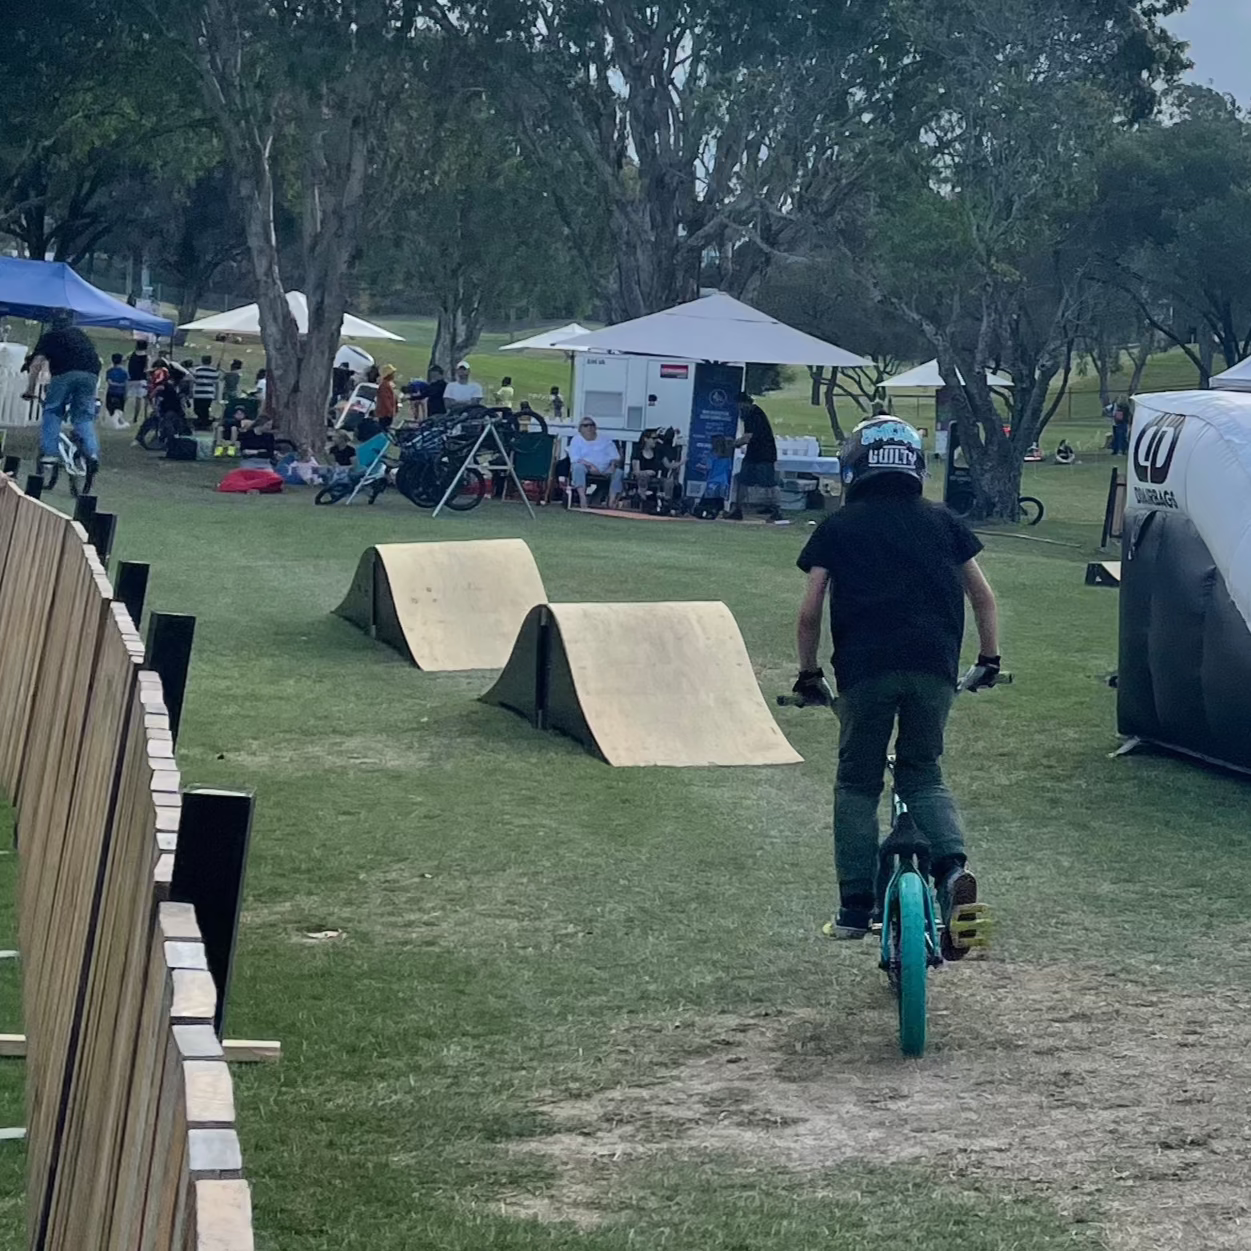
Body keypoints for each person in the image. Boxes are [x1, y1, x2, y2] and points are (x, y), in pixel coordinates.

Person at [792, 416, 1001, 958]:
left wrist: (809, 675)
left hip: (865, 671)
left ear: (854, 465)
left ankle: (854, 909)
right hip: (933, 668)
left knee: (857, 784)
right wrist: (988, 660)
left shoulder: (838, 527)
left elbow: (811, 609)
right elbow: (984, 597)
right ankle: (953, 870)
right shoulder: (943, 521)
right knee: (924, 773)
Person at [23, 311, 101, 477]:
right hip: (91, 373)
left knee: (52, 410)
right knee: (83, 416)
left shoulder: (49, 337)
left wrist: (30, 390)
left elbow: (36, 364)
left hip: (65, 373)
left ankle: (50, 454)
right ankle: (91, 453)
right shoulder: (80, 335)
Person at [727, 391, 781, 522]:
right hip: (754, 453)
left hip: (764, 454)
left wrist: (732, 444)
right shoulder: (751, 414)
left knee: (768, 483)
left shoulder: (753, 415)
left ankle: (777, 510)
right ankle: (737, 510)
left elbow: (748, 437)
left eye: (739, 406)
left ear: (743, 404)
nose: (738, 409)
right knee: (742, 480)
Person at [568, 418, 623, 509]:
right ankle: (583, 498)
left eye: (591, 425)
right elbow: (575, 458)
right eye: (585, 425)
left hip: (606, 469)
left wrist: (612, 466)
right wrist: (590, 466)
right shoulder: (576, 440)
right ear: (580, 429)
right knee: (577, 467)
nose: (589, 427)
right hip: (587, 468)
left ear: (595, 427)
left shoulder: (605, 439)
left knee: (619, 473)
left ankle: (611, 502)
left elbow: (615, 457)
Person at [191, 355, 221, 429]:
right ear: (210, 361)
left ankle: (203, 423)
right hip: (208, 394)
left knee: (197, 409)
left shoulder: (196, 370)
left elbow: (192, 380)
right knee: (205, 409)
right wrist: (216, 395)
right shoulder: (214, 371)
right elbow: (216, 383)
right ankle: (205, 422)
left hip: (198, 393)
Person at [127, 343, 149, 423]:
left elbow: (124, 359)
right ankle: (135, 418)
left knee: (126, 397)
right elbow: (146, 368)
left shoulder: (132, 353)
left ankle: (119, 414)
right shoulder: (146, 357)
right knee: (139, 399)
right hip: (142, 379)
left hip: (132, 378)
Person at [105, 353, 129, 427]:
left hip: (111, 392)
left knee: (110, 409)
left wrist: (114, 384)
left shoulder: (109, 371)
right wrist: (126, 394)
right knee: (119, 409)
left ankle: (117, 422)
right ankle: (119, 423)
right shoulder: (124, 372)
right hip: (120, 393)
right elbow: (126, 385)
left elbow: (109, 382)